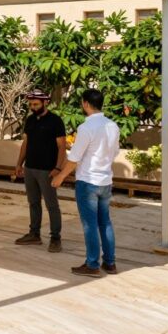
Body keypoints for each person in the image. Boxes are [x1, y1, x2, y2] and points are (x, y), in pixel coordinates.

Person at [51, 89, 119, 278]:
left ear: (86, 104)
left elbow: (74, 158)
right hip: (105, 181)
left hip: (88, 182)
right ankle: (110, 263)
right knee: (104, 222)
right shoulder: (113, 126)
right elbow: (115, 153)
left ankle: (92, 265)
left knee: (90, 225)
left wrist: (60, 177)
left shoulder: (86, 128)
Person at [14, 89, 67, 252]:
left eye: (36, 104)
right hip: (30, 168)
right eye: (30, 104)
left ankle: (55, 238)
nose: (33, 107)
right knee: (33, 202)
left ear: (45, 103)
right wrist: (19, 164)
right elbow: (26, 144)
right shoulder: (30, 120)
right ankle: (34, 234)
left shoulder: (55, 121)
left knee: (52, 205)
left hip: (47, 171)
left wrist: (58, 168)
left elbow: (62, 146)